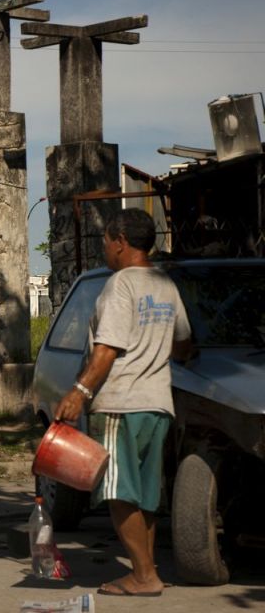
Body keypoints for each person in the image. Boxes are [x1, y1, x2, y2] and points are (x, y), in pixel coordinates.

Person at [54, 209, 193, 598]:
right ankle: (146, 570)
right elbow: (184, 345)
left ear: (120, 241)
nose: (104, 249)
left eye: (104, 241)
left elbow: (107, 351)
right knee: (144, 497)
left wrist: (77, 393)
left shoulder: (120, 285)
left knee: (117, 493)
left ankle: (144, 577)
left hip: (121, 403)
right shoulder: (164, 285)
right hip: (157, 404)